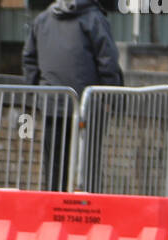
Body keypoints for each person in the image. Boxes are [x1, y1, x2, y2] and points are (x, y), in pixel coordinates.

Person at [21, 0, 123, 192]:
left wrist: (36, 92)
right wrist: (112, 96)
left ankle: (55, 206)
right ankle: (89, 206)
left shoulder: (42, 20)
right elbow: (107, 61)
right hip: (88, 104)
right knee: (89, 163)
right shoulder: (94, 19)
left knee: (55, 165)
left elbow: (29, 59)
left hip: (53, 102)